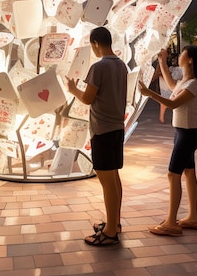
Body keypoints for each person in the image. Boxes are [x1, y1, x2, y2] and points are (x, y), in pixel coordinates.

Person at [138, 45, 197, 236]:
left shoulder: (193, 84)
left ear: (190, 59)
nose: (179, 56)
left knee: (173, 174)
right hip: (185, 132)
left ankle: (171, 222)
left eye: (182, 54)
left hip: (188, 134)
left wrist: (148, 93)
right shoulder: (186, 81)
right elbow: (171, 86)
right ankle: (193, 217)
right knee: (189, 172)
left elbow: (172, 103)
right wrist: (161, 62)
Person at [66, 26, 127, 246]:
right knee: (114, 178)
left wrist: (73, 89)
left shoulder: (98, 67)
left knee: (106, 181)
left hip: (102, 129)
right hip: (117, 127)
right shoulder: (121, 65)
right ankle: (114, 222)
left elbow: (88, 98)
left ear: (95, 44)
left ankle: (110, 232)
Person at [154, 48, 182, 123]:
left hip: (172, 85)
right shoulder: (169, 66)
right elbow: (161, 73)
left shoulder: (180, 69)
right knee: (164, 100)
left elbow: (173, 78)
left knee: (173, 101)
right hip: (165, 85)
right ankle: (162, 116)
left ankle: (173, 117)